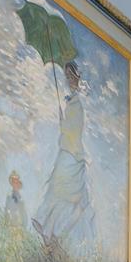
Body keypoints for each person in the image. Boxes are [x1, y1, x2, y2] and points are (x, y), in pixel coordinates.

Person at [32, 60, 95, 247]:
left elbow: (75, 130)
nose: (68, 80)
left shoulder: (78, 103)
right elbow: (69, 129)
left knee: (69, 197)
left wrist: (63, 122)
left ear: (77, 77)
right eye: (67, 76)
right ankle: (48, 230)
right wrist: (63, 120)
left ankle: (54, 233)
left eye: (71, 76)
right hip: (67, 151)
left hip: (72, 154)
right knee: (56, 190)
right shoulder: (72, 102)